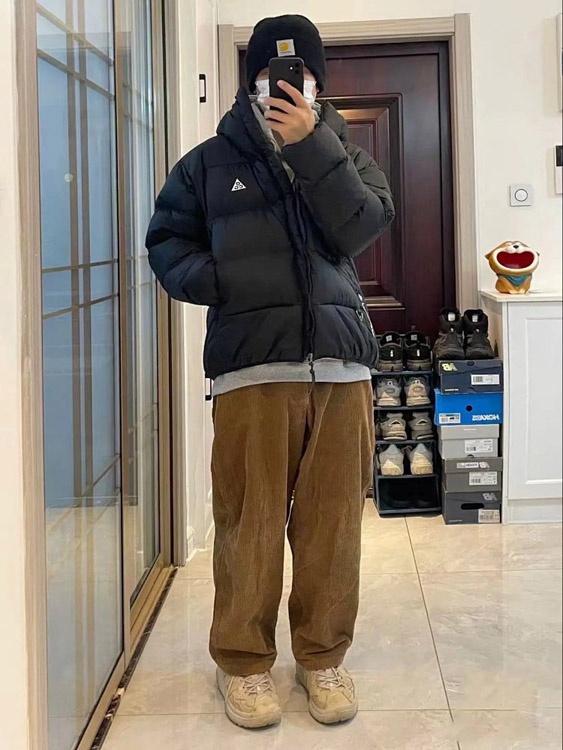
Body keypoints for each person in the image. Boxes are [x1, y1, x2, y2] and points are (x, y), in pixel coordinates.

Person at [147, 14, 395, 730]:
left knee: (332, 528)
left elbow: (360, 227)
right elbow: (167, 243)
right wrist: (229, 281)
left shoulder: (345, 153)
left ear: (319, 84)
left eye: (300, 75)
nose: (285, 86)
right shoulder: (205, 163)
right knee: (248, 525)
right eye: (270, 74)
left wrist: (311, 145)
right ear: (248, 80)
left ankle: (322, 658)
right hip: (251, 370)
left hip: (341, 368)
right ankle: (244, 665)